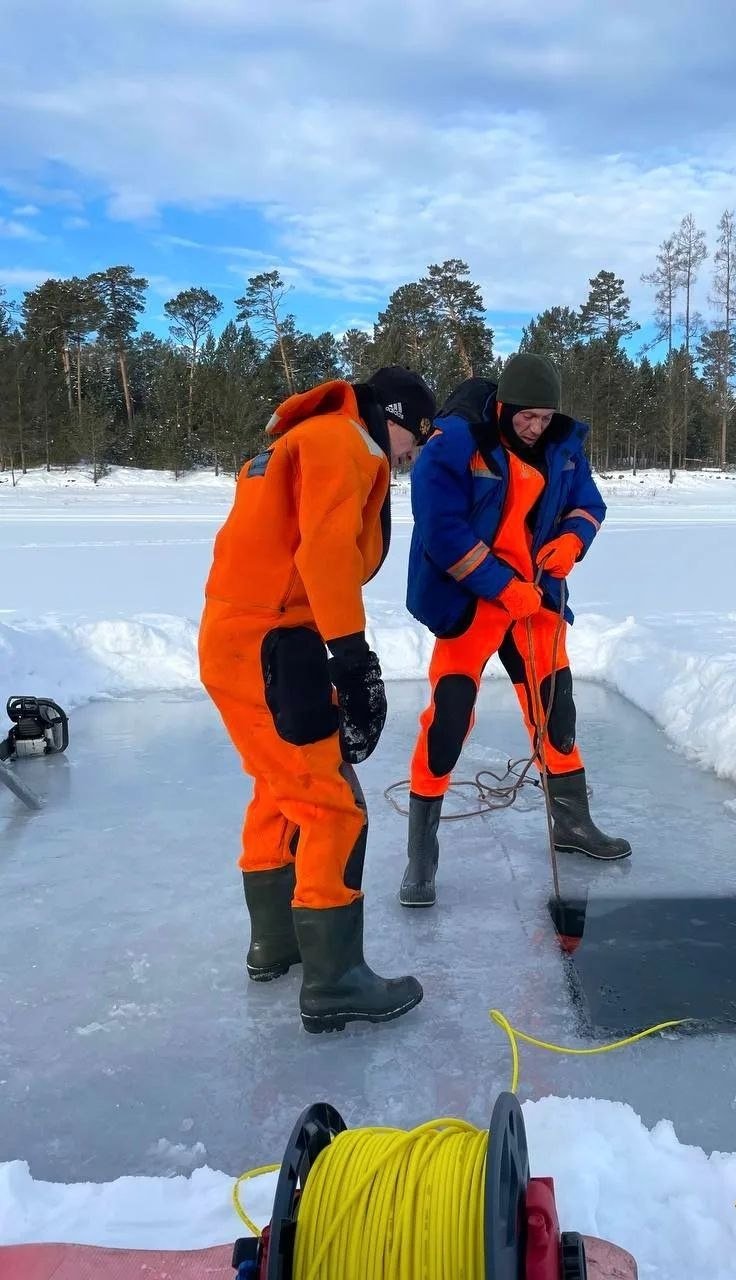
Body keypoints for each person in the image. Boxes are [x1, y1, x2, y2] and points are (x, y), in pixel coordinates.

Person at [198, 366, 436, 1031]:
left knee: (279, 790)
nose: (406, 462)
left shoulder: (296, 441)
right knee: (333, 806)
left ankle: (276, 945)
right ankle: (335, 980)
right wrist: (353, 660)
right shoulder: (344, 443)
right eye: (410, 446)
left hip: (233, 637)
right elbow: (325, 552)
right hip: (275, 646)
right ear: (392, 419)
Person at [399, 352, 631, 907]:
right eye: (525, 416)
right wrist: (504, 587)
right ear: (502, 405)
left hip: (537, 603)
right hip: (472, 600)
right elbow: (441, 529)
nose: (535, 427)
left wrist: (572, 541)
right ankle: (421, 856)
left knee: (557, 709)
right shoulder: (454, 443)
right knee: (450, 717)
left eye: (544, 417)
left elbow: (590, 504)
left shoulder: (564, 445)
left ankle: (571, 824)